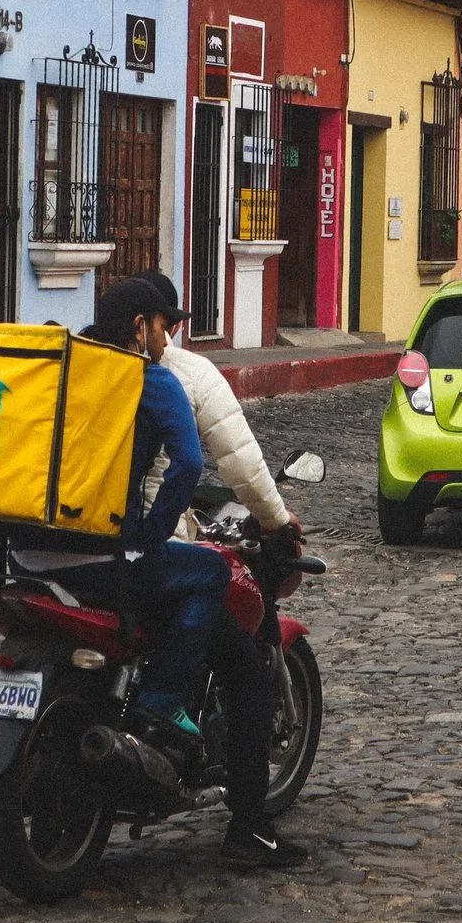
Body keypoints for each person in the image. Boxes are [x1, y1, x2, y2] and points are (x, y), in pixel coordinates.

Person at [131, 270, 307, 869]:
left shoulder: (76, 365)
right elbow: (235, 459)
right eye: (163, 325)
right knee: (243, 667)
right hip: (141, 549)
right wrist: (280, 521)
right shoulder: (177, 375)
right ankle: (249, 828)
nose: (165, 336)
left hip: (56, 549)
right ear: (156, 327)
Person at [6, 277, 227, 753]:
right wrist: (150, 535)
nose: (166, 342)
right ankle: (164, 697)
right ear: (138, 327)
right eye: (163, 327)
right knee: (211, 569)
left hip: (23, 558)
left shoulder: (62, 370)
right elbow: (188, 464)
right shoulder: (151, 381)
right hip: (105, 564)